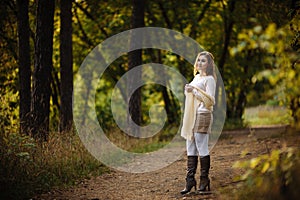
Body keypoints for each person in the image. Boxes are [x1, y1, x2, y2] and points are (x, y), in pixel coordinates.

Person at [180, 51, 217, 194]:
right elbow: (191, 93)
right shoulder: (196, 77)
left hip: (203, 114)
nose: (200, 63)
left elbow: (210, 100)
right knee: (190, 146)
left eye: (203, 61)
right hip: (192, 115)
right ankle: (190, 180)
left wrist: (193, 91)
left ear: (209, 64)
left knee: (201, 146)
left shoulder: (210, 79)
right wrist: (188, 90)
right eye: (199, 60)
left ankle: (204, 180)